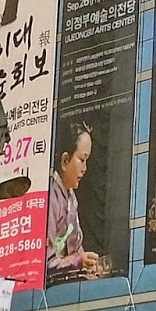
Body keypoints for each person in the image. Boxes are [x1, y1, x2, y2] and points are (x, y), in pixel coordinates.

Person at [46, 121, 101, 282]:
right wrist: (78, 262)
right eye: (82, 159)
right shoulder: (50, 197)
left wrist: (88, 264)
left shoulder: (71, 197)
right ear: (65, 161)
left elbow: (77, 248)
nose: (85, 168)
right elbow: (46, 261)